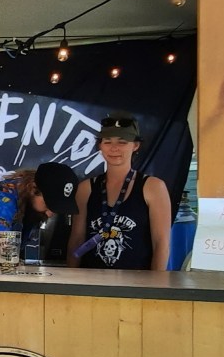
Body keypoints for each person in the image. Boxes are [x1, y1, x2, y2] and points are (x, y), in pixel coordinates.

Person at [67, 114, 172, 271]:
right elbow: (77, 240)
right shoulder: (85, 188)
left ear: (135, 145)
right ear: (100, 146)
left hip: (137, 284)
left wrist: (155, 288)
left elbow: (161, 244)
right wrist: (70, 282)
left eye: (122, 142)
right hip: (90, 282)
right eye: (107, 142)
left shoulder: (154, 187)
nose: (114, 148)